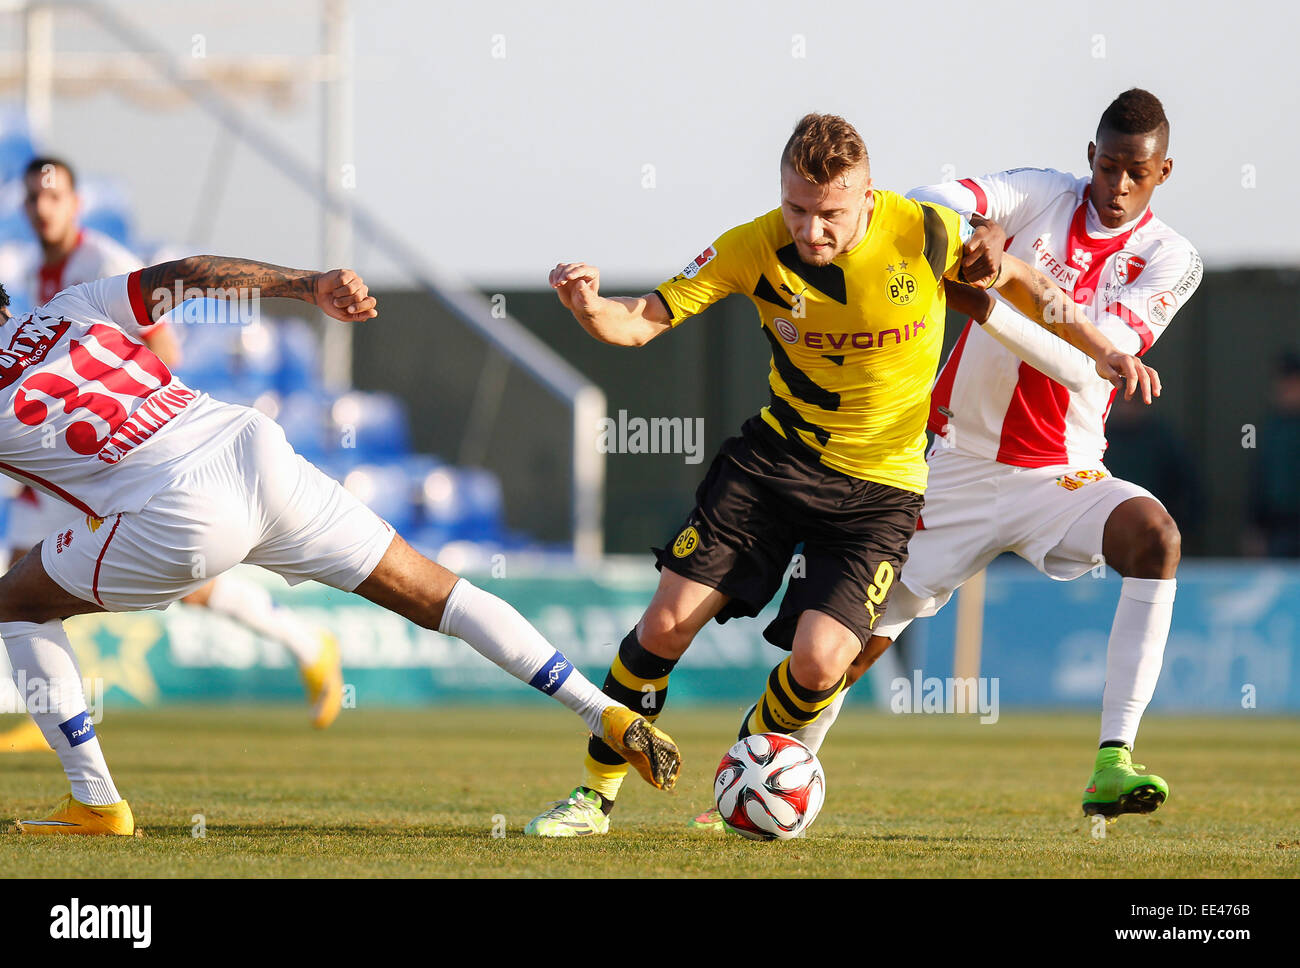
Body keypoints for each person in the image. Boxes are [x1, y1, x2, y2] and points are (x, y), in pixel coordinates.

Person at [526, 112, 1154, 837]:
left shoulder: (922, 231)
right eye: (797, 208)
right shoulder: (753, 245)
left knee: (822, 664)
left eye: (829, 214)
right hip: (772, 466)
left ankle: (750, 762)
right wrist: (589, 308)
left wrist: (1103, 349)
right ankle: (593, 798)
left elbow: (1022, 280)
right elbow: (640, 320)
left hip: (879, 493)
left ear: (866, 196)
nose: (811, 229)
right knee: (664, 626)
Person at [0, 256, 679, 836]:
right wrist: (309, 284)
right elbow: (188, 274)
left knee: (18, 603)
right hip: (254, 447)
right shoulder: (71, 307)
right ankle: (604, 710)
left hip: (179, 510)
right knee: (439, 594)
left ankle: (95, 802)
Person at [732, 89, 1201, 825]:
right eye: (1107, 167)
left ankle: (1114, 758)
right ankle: (757, 771)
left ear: (1163, 172)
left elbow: (1086, 367)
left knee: (1156, 538)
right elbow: (924, 198)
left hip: (1063, 473)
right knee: (847, 649)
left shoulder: (1171, 259)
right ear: (1090, 158)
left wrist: (988, 298)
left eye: (1134, 174)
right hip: (955, 463)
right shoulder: (1043, 193)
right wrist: (977, 229)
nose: (1116, 187)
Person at [0, 157, 342, 754]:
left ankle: (303, 641)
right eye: (32, 197)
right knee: (29, 576)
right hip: (70, 446)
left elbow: (162, 341)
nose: (42, 206)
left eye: (53, 196)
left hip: (120, 443)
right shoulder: (36, 271)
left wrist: (132, 425)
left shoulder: (99, 260)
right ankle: (55, 710)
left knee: (52, 587)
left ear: (76, 203)